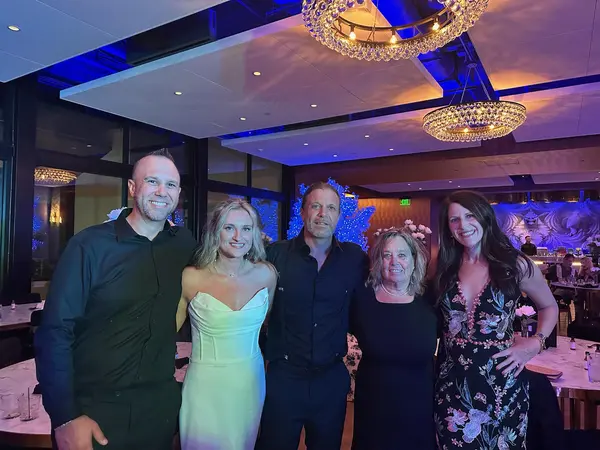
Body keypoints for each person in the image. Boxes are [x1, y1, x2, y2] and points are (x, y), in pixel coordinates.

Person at [35, 149, 197, 450]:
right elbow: (55, 331)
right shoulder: (89, 246)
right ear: (133, 188)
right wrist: (65, 416)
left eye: (171, 184)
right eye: (152, 181)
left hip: (159, 410)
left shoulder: (184, 245)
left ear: (178, 194)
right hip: (95, 412)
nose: (162, 192)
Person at [434, 190, 558, 449]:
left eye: (470, 216)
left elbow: (549, 306)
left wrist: (536, 342)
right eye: (454, 219)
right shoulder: (443, 265)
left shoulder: (516, 264)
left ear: (485, 217)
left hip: (502, 385)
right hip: (452, 386)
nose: (463, 225)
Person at [255, 181, 368, 450]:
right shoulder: (275, 255)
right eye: (315, 206)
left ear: (338, 215)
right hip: (284, 379)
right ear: (303, 211)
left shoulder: (354, 259)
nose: (322, 214)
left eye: (331, 208)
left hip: (330, 380)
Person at [176, 199, 277, 450]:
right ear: (215, 231)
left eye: (246, 228)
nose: (238, 237)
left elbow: (265, 323)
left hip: (250, 382)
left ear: (255, 233)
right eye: (229, 228)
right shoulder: (191, 277)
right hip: (205, 385)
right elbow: (167, 333)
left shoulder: (267, 274)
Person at [350, 228, 437, 450]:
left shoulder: (431, 298)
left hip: (419, 410)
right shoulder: (362, 298)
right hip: (374, 408)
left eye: (402, 255)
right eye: (387, 255)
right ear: (378, 261)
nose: (394, 262)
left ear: (414, 260)